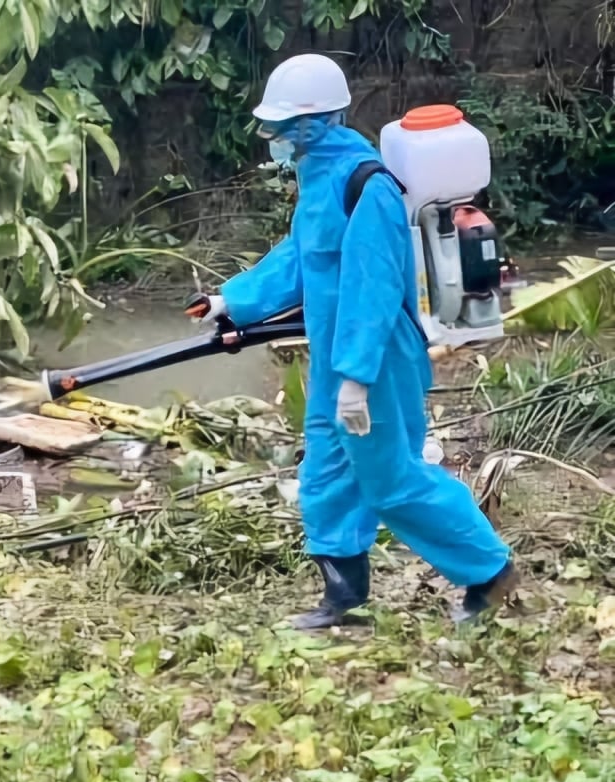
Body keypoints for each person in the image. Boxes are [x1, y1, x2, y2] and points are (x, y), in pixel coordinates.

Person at [192, 53, 517, 628]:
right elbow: (300, 258)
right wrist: (232, 300)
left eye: (282, 125)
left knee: (392, 478)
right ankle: (343, 597)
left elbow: (373, 288)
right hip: (334, 355)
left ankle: (489, 573)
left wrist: (357, 381)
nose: (272, 136)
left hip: (377, 359)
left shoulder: (368, 186)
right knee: (326, 468)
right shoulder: (316, 174)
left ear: (317, 121)